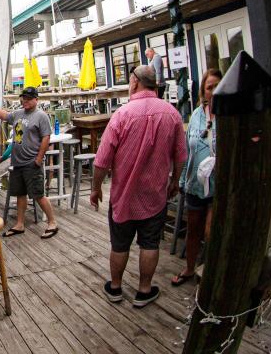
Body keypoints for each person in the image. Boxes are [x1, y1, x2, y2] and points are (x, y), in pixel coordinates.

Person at [90, 65, 186, 308]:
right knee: (150, 243)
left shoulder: (122, 115)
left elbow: (101, 160)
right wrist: (175, 181)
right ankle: (144, 290)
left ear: (134, 82)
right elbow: (181, 155)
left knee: (120, 244)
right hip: (155, 196)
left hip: (124, 197)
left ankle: (115, 287)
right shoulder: (172, 114)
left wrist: (95, 188)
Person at [0, 86, 59, 239]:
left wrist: (38, 159)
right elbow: (4, 115)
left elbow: (46, 138)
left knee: (38, 194)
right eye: (24, 98)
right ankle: (20, 224)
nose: (26, 101)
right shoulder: (18, 114)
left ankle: (52, 222)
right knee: (20, 194)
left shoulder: (41, 116)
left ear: (36, 99)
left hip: (31, 163)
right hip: (17, 163)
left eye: (29, 98)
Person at [172, 68, 222, 286]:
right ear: (203, 91)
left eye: (218, 86)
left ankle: (212, 274)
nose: (214, 91)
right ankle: (190, 268)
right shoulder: (196, 116)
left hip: (218, 184)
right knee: (193, 229)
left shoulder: (229, 114)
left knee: (212, 230)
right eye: (209, 87)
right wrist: (181, 179)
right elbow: (186, 149)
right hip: (195, 184)